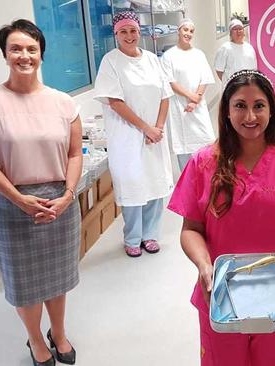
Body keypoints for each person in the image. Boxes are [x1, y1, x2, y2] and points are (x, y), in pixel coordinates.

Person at [167, 70, 275, 365]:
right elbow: (190, 228)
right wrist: (205, 267)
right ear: (227, 111)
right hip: (221, 292)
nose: (250, 116)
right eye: (240, 105)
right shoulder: (204, 162)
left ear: (272, 109)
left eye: (259, 105)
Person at [0, 19, 81, 366]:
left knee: (58, 278)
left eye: (31, 49)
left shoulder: (63, 103)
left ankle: (58, 333)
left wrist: (68, 194)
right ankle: (36, 341)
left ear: (41, 54)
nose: (24, 55)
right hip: (11, 203)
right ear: (5, 54)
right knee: (25, 283)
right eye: (16, 48)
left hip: (60, 201)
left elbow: (75, 154)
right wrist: (19, 199)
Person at [93, 10, 174, 258]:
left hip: (154, 136)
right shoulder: (111, 61)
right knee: (133, 186)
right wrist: (145, 128)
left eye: (133, 31)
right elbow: (115, 102)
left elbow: (165, 96)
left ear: (140, 32)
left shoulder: (151, 59)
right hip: (127, 136)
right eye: (124, 31)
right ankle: (133, 238)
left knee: (154, 184)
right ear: (116, 34)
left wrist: (157, 128)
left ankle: (150, 235)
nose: (129, 36)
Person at [161, 18, 216, 170]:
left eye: (191, 31)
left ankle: (206, 179)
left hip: (197, 106)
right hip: (179, 108)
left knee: (206, 142)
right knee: (184, 147)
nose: (188, 34)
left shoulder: (199, 55)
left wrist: (196, 99)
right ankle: (187, 183)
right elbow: (170, 82)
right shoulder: (169, 56)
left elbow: (205, 78)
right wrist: (190, 97)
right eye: (185, 30)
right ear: (179, 31)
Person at [214, 18, 257, 85]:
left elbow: (254, 69)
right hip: (232, 87)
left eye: (240, 29)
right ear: (230, 33)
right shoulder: (225, 48)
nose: (238, 31)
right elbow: (219, 70)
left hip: (248, 85)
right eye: (235, 29)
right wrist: (228, 83)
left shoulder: (249, 47)